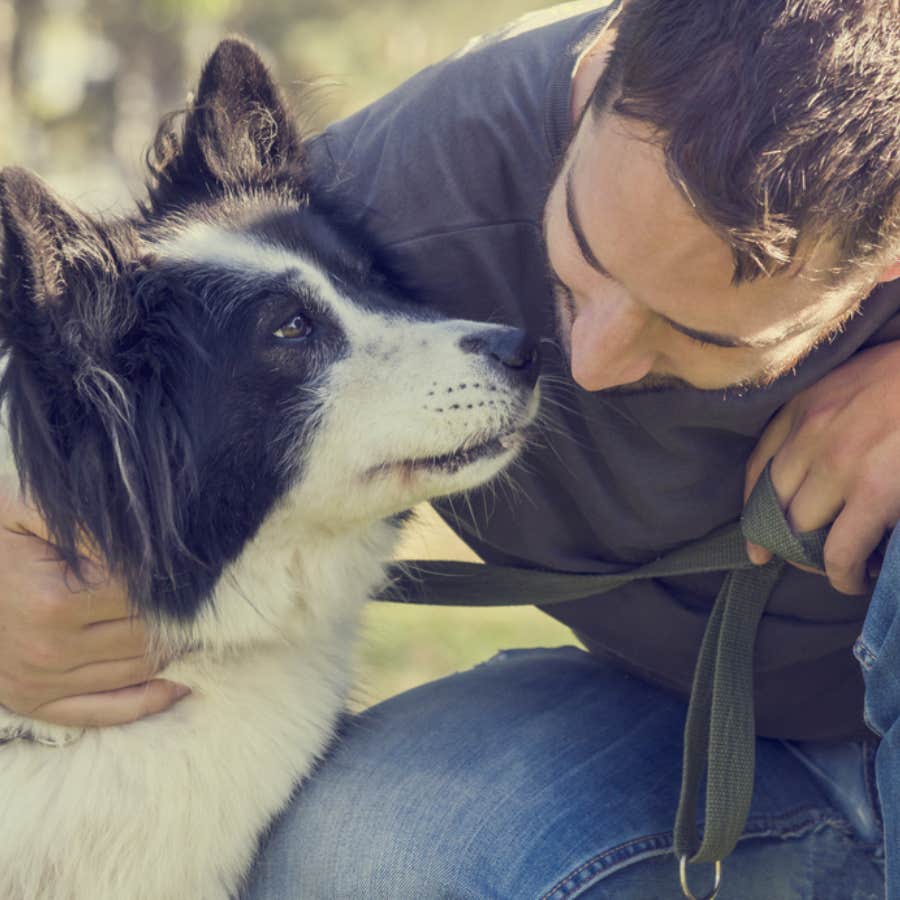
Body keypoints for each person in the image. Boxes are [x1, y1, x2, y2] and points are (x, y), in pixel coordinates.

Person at [1, 0, 898, 896]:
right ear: (598, 68)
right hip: (687, 731)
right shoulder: (396, 185)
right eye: (584, 267)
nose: (586, 364)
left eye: (694, 333)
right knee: (360, 858)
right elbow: (71, 380)